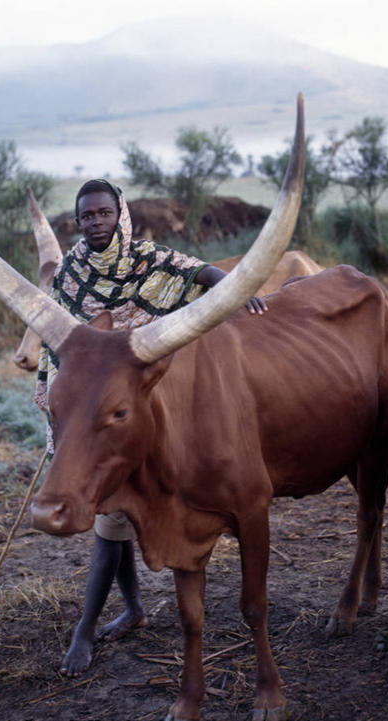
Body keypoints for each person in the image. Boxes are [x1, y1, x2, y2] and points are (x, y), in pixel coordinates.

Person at [33, 179, 267, 677]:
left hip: (143, 404)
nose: (95, 223)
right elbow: (61, 343)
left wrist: (231, 287)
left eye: (103, 213)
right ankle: (112, 616)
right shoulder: (71, 271)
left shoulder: (145, 257)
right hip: (90, 413)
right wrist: (62, 411)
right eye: (86, 216)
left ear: (120, 214)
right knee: (110, 517)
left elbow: (194, 271)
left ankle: (94, 625)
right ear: (78, 222)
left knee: (116, 519)